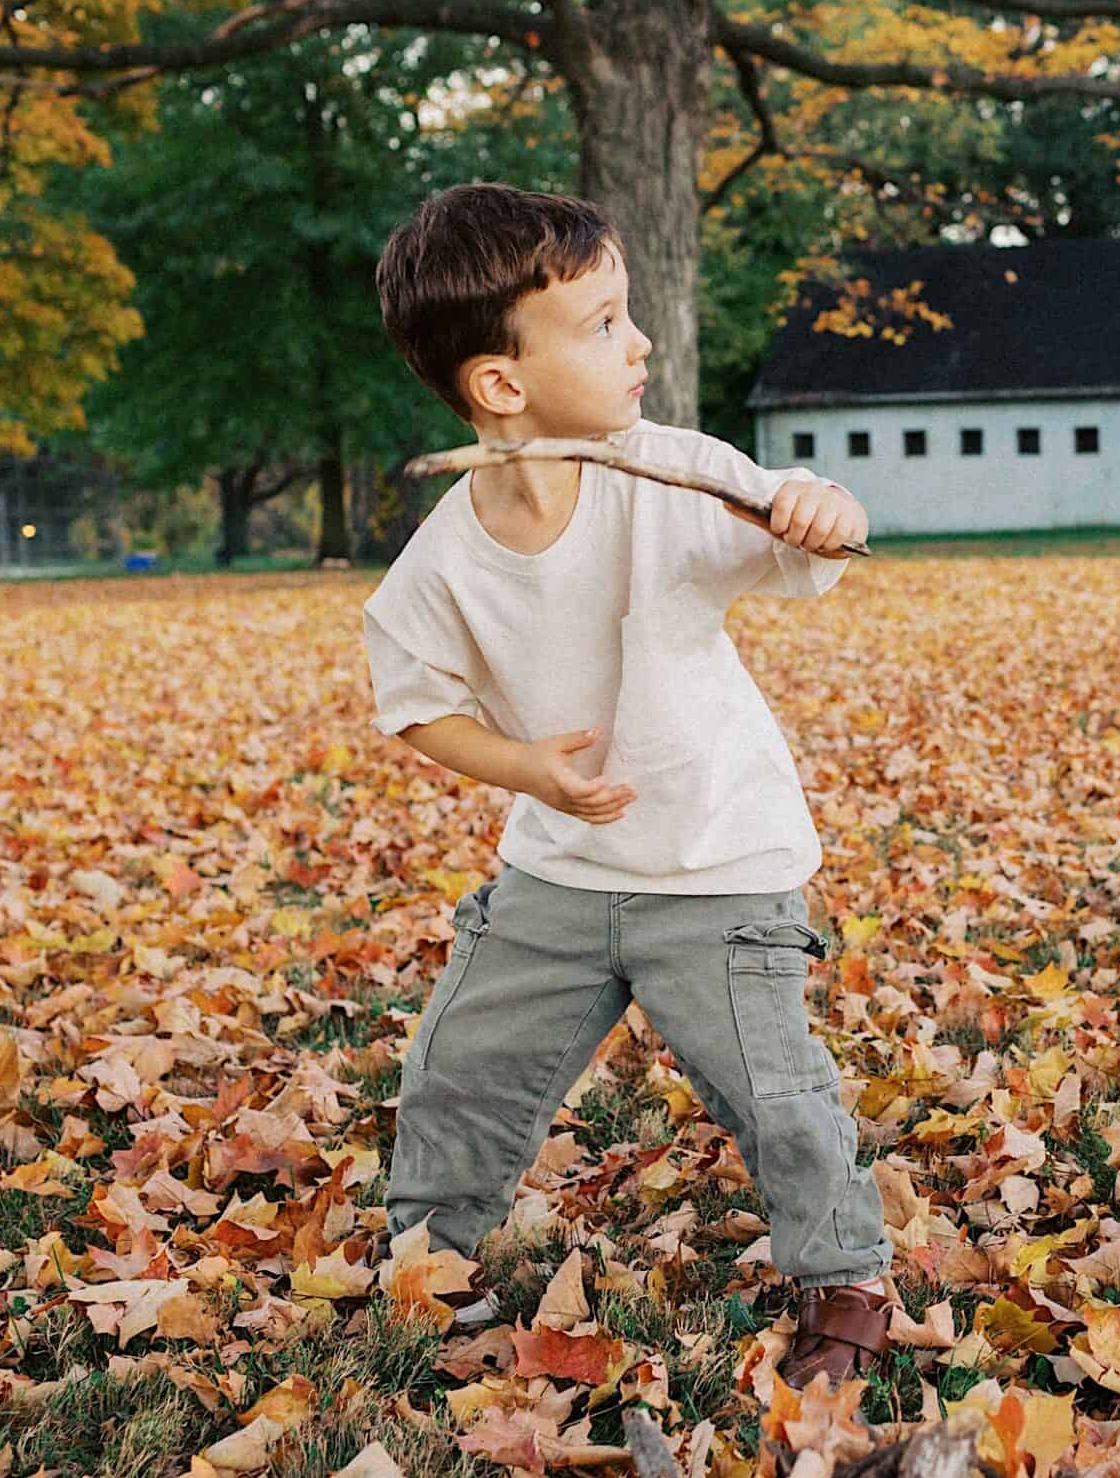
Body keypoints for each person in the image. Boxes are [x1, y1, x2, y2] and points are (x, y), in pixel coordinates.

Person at [362, 183, 894, 1387]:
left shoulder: (675, 477)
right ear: (502, 387)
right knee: (459, 1068)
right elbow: (419, 704)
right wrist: (524, 770)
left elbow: (809, 534)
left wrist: (822, 508)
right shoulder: (447, 551)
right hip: (555, 875)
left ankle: (845, 1275)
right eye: (603, 324)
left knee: (775, 1092)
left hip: (719, 866)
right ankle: (423, 1262)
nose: (639, 340)